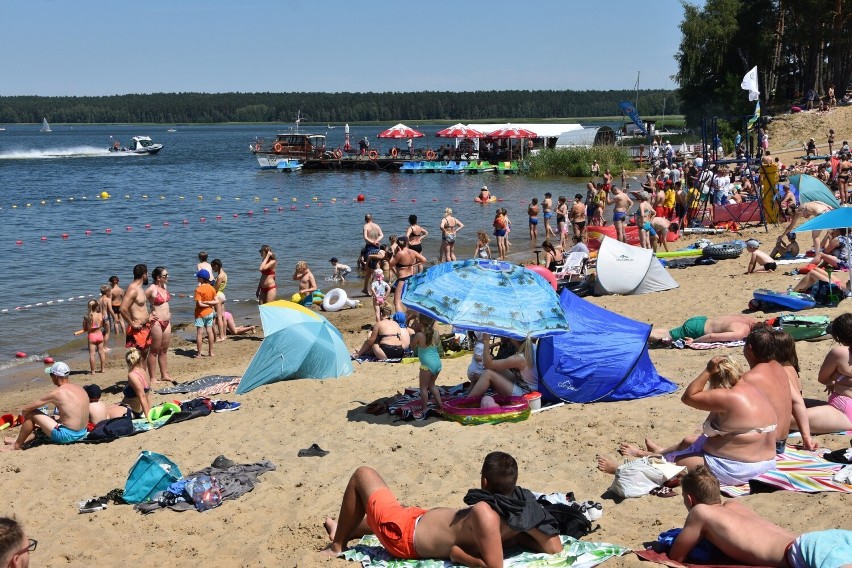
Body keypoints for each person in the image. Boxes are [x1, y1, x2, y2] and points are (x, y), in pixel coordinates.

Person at [322, 452, 562, 563]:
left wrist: (460, 556)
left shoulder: (484, 513)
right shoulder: (521, 506)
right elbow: (554, 547)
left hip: (404, 536)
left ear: (484, 482)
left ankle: (337, 545)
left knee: (363, 475)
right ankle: (343, 529)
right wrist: (517, 536)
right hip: (416, 519)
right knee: (392, 510)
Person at [611, 355, 778, 486]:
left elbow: (689, 396)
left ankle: (620, 469)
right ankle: (652, 453)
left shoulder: (728, 396)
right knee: (689, 440)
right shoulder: (752, 388)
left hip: (736, 468)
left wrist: (707, 370)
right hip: (766, 462)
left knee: (673, 465)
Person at [668, 466, 852, 567]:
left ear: (690, 499)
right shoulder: (734, 504)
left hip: (807, 551)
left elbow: (677, 556)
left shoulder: (700, 512)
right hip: (825, 538)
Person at [2, 362, 89, 450]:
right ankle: (19, 440)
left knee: (31, 413)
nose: (51, 378)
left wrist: (22, 417)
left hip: (67, 436)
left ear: (55, 376)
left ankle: (16, 445)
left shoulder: (57, 392)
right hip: (82, 432)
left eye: (51, 375)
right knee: (50, 417)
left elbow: (27, 409)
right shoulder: (80, 388)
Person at [805, 313, 852, 434]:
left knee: (786, 419)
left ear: (838, 337)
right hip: (845, 408)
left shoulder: (840, 352)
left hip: (846, 409)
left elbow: (823, 378)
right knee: (800, 403)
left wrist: (835, 377)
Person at [465, 333, 538, 399]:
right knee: (495, 369)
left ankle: (466, 402)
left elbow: (488, 365)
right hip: (529, 385)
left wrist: (486, 341)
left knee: (488, 373)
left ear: (515, 339)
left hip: (525, 393)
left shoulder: (519, 358)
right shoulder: (534, 347)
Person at [107, 348, 153, 422]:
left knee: (103, 413)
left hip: (132, 410)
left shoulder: (132, 375)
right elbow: (147, 394)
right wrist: (149, 410)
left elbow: (142, 396)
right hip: (132, 407)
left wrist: (148, 417)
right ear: (140, 359)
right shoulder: (143, 371)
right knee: (106, 408)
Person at [649, 314, 757, 345]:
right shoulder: (742, 332)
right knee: (664, 337)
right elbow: (712, 337)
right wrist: (694, 341)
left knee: (670, 332)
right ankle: (641, 334)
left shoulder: (749, 319)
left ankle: (646, 330)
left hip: (701, 320)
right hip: (698, 330)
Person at [146, 266, 173, 383]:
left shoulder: (164, 286)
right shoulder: (152, 288)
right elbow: (138, 300)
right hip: (156, 322)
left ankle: (164, 374)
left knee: (164, 350)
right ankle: (152, 377)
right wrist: (147, 316)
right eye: (165, 275)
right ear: (158, 277)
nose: (168, 277)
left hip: (167, 322)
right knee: (154, 351)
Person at [411, 315, 443, 417]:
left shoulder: (419, 335)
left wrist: (414, 331)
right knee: (432, 385)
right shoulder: (436, 334)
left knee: (423, 387)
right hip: (437, 363)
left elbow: (412, 346)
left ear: (421, 323)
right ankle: (440, 404)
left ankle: (424, 408)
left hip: (427, 365)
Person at [119, 264, 152, 354]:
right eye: (147, 274)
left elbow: (139, 308)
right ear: (144, 275)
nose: (148, 276)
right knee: (137, 360)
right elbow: (122, 309)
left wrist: (149, 318)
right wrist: (132, 323)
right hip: (137, 330)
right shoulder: (133, 290)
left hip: (145, 327)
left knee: (144, 357)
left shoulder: (139, 289)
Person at [389, 237, 425, 314]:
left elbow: (391, 264)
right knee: (409, 300)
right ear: (407, 243)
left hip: (402, 279)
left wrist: (394, 254)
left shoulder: (400, 253)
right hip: (411, 278)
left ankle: (401, 321)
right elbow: (424, 260)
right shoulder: (412, 252)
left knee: (397, 301)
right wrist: (413, 264)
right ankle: (410, 317)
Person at [194, 269, 218, 358]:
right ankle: (211, 352)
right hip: (210, 313)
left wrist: (206, 303)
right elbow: (216, 301)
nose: (197, 278)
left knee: (200, 333)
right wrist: (209, 303)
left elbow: (199, 303)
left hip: (200, 314)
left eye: (197, 277)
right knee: (210, 332)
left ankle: (199, 353)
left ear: (201, 278)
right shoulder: (212, 288)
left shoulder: (198, 289)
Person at [83, 299, 105, 374]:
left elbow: (84, 328)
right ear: (97, 307)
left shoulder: (87, 316)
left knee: (92, 354)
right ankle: (102, 369)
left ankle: (93, 371)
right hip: (99, 334)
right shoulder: (100, 314)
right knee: (101, 352)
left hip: (92, 336)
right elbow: (102, 324)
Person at [210, 259, 228, 342]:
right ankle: (224, 335)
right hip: (222, 295)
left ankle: (221, 336)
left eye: (213, 267)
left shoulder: (220, 276)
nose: (212, 269)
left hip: (218, 296)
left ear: (216, 266)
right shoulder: (224, 274)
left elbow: (216, 289)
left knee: (219, 317)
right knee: (223, 316)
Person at [97, 284, 112, 349]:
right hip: (106, 317)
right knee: (108, 332)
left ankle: (100, 346)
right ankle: (104, 347)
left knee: (104, 331)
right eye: (110, 292)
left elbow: (97, 310)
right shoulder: (108, 299)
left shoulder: (98, 300)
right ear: (107, 292)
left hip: (99, 317)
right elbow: (110, 309)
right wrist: (115, 317)